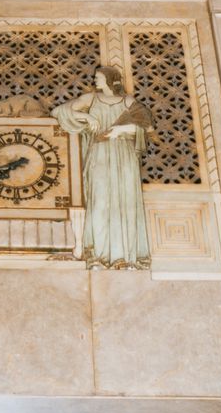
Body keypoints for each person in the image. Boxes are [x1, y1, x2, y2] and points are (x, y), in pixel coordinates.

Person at [52, 65, 152, 270]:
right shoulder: (91, 99)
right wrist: (86, 116)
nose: (95, 80)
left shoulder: (128, 102)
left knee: (125, 202)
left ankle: (124, 257)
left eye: (98, 77)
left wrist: (122, 129)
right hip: (98, 154)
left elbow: (147, 127)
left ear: (109, 80)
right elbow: (58, 111)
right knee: (99, 201)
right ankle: (98, 255)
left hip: (124, 157)